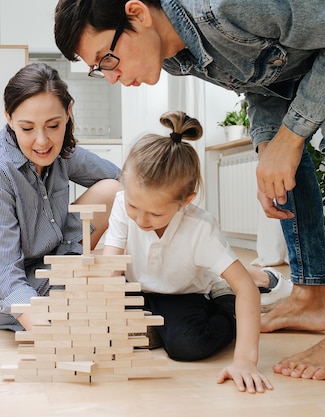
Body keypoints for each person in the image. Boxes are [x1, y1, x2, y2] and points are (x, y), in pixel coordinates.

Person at [54, 0, 325, 381]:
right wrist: (271, 141)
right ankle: (309, 298)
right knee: (278, 155)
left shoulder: (228, 7)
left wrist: (292, 133)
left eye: (108, 59)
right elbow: (264, 81)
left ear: (137, 14)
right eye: (98, 69)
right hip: (309, 75)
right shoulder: (175, 57)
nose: (111, 77)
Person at [0, 62, 122, 331]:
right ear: (9, 118)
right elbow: (3, 270)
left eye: (53, 125)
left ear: (68, 113)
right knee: (95, 299)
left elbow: (124, 180)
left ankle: (77, 286)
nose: (42, 141)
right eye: (27, 128)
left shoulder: (62, 151)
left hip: (47, 258)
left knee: (114, 191)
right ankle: (71, 293)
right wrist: (38, 323)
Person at [102, 111, 271, 393]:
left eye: (155, 213)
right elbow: (111, 264)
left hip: (183, 294)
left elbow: (246, 288)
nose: (141, 220)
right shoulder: (121, 202)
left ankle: (223, 306)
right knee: (112, 334)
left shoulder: (199, 228)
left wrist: (245, 360)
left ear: (185, 201)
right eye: (134, 207)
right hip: (137, 290)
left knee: (187, 346)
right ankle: (154, 330)